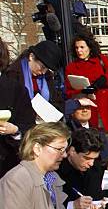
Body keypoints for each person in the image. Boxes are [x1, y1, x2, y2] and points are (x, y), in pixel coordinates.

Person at [0, 41, 64, 177]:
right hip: (14, 144)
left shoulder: (46, 78)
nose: (42, 71)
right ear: (31, 57)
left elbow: (56, 101)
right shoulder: (13, 75)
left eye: (46, 69)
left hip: (39, 130)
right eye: (41, 66)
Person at [64, 34, 108, 151]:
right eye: (76, 48)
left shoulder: (102, 60)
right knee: (89, 144)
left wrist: (104, 80)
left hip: (104, 109)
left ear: (89, 47)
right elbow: (68, 91)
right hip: (86, 110)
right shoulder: (71, 67)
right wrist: (81, 90)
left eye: (82, 47)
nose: (79, 51)